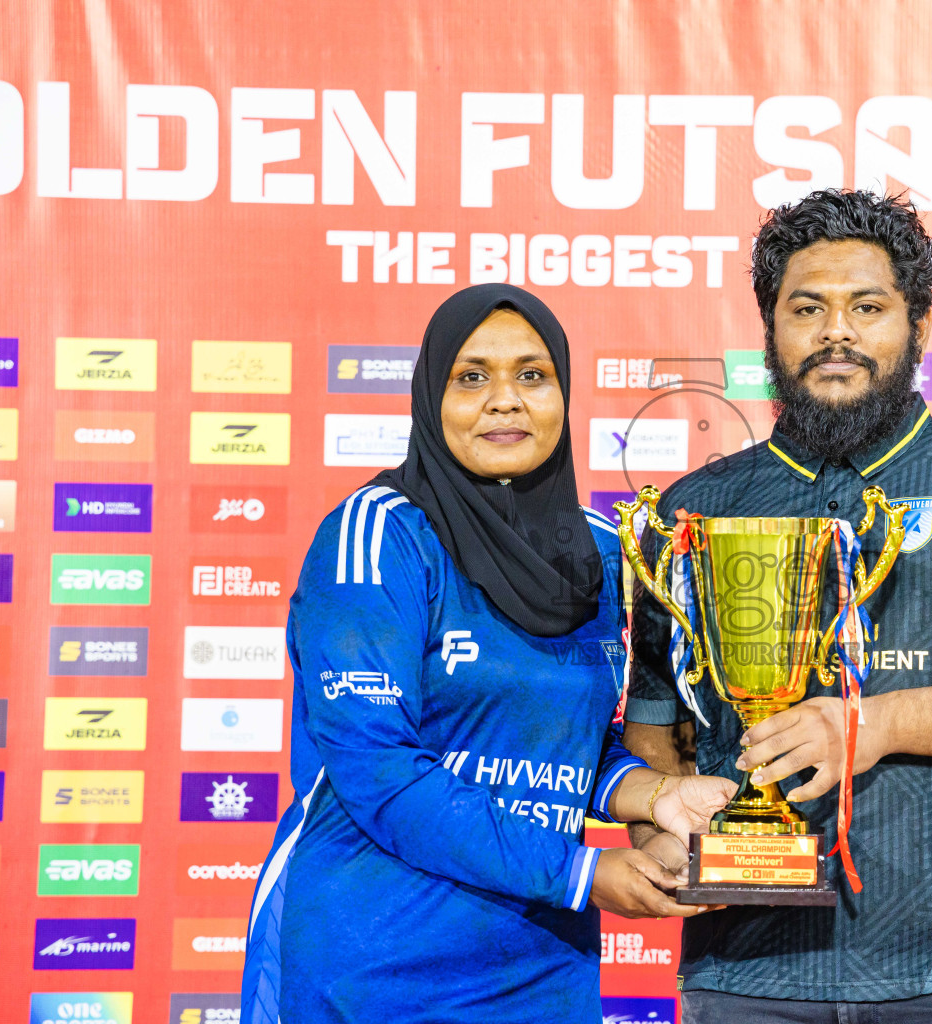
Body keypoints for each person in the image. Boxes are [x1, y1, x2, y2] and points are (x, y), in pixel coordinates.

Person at [624, 190, 932, 1024]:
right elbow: (655, 721)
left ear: (917, 325)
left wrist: (871, 726)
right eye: (806, 308)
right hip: (745, 969)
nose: (835, 332)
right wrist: (663, 838)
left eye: (867, 307)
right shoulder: (690, 509)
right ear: (770, 328)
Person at [241, 284, 735, 1024]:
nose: (504, 400)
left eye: (532, 375)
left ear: (563, 394)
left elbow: (568, 747)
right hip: (371, 966)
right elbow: (381, 769)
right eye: (471, 377)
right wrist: (581, 873)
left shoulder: (600, 550)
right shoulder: (377, 537)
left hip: (540, 967)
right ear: (430, 398)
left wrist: (657, 796)